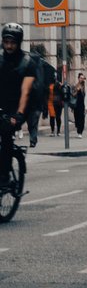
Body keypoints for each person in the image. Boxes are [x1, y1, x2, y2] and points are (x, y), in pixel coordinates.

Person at [0, 23, 35, 187]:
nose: (9, 46)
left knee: (6, 133)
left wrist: (18, 115)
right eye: (6, 42)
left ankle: (5, 176)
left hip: (19, 106)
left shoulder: (27, 63)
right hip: (2, 103)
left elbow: (26, 91)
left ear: (18, 42)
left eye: (12, 42)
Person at [72, 72, 86, 137]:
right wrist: (77, 91)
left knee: (82, 118)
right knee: (77, 118)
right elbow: (73, 95)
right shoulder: (75, 85)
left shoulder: (85, 86)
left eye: (83, 78)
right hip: (76, 104)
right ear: (78, 78)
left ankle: (80, 132)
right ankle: (78, 128)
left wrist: (82, 89)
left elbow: (86, 95)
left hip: (82, 104)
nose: (82, 79)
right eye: (81, 78)